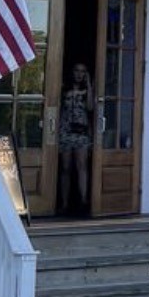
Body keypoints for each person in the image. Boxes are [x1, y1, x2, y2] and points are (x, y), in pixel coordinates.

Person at [58, 62, 94, 214]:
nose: (79, 74)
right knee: (66, 168)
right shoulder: (63, 88)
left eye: (83, 71)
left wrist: (89, 85)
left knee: (81, 166)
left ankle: (83, 200)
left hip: (81, 133)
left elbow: (91, 107)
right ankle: (64, 203)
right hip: (65, 132)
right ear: (72, 72)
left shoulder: (86, 91)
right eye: (77, 71)